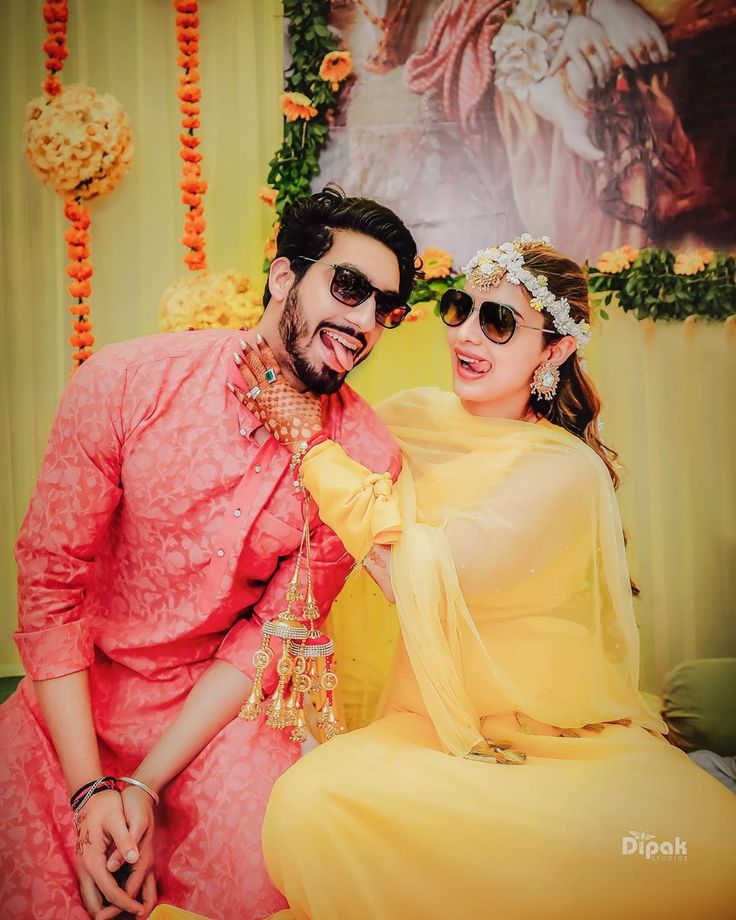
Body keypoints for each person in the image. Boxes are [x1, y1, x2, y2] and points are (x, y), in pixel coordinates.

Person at [213, 234, 733, 918]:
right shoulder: (415, 415)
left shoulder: (564, 473)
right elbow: (324, 444)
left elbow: (415, 573)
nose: (465, 334)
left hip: (550, 746)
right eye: (461, 308)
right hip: (424, 727)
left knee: (680, 861)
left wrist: (307, 442)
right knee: (309, 807)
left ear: (555, 351)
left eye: (498, 323)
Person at [0, 186, 418, 920]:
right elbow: (51, 590)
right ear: (284, 277)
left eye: (384, 309)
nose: (363, 323)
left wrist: (144, 786)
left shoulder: (362, 460)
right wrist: (91, 788)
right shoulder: (127, 382)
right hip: (70, 704)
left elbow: (270, 638)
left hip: (217, 718)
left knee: (277, 867)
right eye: (348, 287)